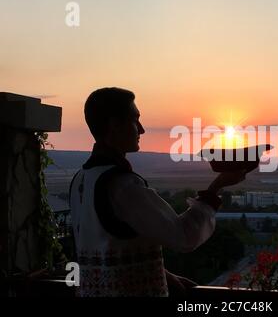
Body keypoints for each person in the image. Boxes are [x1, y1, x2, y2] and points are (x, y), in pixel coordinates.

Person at [69, 87, 246, 297]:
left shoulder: (81, 178)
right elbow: (184, 237)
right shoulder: (123, 185)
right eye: (135, 120)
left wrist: (162, 273)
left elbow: (107, 246)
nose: (141, 130)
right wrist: (216, 187)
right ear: (115, 125)